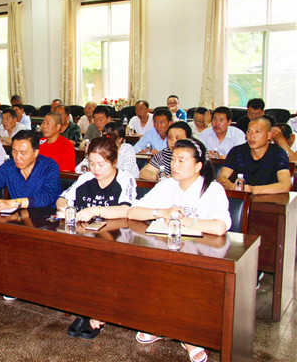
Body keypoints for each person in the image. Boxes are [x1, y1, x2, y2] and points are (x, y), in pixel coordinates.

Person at [129, 138, 232, 362]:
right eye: (173, 159)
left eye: (181, 160)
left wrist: (186, 221)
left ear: (198, 166)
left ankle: (189, 336)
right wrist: (161, 212)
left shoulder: (212, 189)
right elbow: (133, 212)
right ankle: (161, 326)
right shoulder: (167, 185)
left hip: (201, 254)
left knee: (185, 278)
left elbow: (220, 226)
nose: (174, 165)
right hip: (166, 251)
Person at [60, 135, 137, 340]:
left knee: (98, 262)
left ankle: (95, 312)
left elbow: (126, 210)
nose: (95, 169)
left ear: (114, 161)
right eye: (91, 163)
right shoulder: (85, 178)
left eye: (101, 164)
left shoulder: (125, 179)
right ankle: (84, 309)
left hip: (114, 241)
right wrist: (67, 210)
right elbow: (62, 199)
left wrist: (96, 210)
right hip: (85, 238)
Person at [0, 130, 62, 211]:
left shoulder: (49, 166)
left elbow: (48, 197)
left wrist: (14, 203)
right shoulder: (9, 167)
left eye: (23, 153)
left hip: (46, 217)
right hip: (19, 217)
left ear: (36, 153)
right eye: (14, 152)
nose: (17, 157)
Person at [217, 118, 291, 194]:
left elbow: (285, 185)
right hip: (244, 197)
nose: (252, 136)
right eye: (249, 131)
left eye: (257, 132)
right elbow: (221, 177)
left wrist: (253, 189)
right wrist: (232, 186)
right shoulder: (237, 151)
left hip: (269, 197)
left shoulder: (278, 153)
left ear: (269, 135)